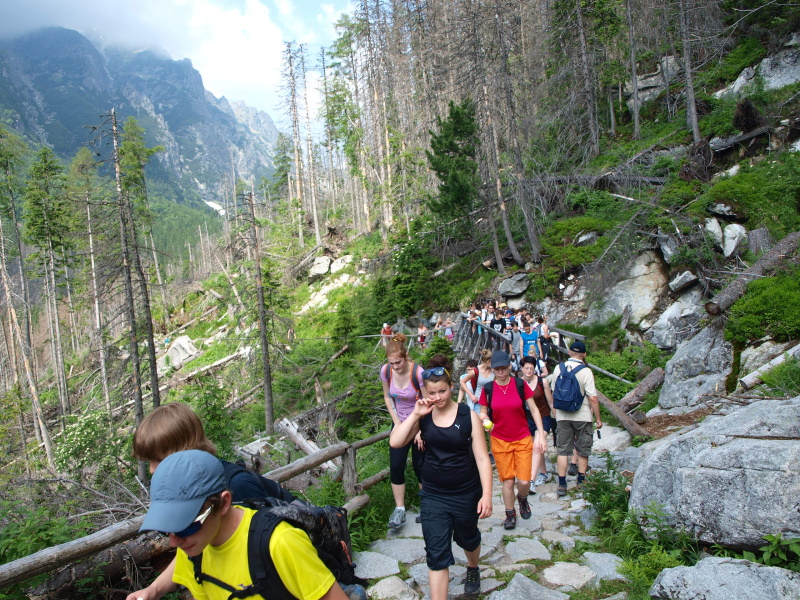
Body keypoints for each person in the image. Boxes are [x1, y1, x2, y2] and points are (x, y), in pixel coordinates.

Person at [126, 403, 297, 600]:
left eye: (158, 460)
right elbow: (194, 542)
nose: (151, 470)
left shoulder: (236, 486)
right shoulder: (196, 492)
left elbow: (270, 548)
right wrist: (154, 590)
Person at [138, 450, 359, 600]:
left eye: (187, 525)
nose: (174, 541)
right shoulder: (194, 552)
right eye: (166, 529)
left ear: (224, 503)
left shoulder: (280, 543)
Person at [389, 356, 492, 599]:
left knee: (468, 538)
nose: (438, 397)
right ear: (425, 392)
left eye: (442, 391)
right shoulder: (424, 416)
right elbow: (396, 442)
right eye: (432, 392)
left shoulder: (467, 416)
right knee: (436, 554)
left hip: (466, 492)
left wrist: (487, 495)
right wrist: (415, 414)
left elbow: (482, 459)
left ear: (451, 387)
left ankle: (473, 567)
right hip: (433, 494)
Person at [478, 351, 546, 530]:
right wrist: (485, 420)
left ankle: (522, 498)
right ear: (492, 369)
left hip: (522, 437)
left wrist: (541, 434)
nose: (500, 372)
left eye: (503, 368)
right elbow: (482, 411)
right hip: (499, 440)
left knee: (524, 481)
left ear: (509, 367)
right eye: (497, 369)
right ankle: (510, 514)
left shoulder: (520, 384)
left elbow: (534, 409)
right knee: (508, 481)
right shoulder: (488, 389)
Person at [380, 333, 426, 529]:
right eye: (392, 363)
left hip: (420, 421)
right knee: (396, 464)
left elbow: (427, 402)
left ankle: (426, 505)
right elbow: (387, 396)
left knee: (420, 465)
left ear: (406, 357)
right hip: (400, 421)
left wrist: (421, 431)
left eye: (398, 362)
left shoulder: (418, 373)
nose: (395, 367)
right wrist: (396, 422)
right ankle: (399, 509)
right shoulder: (386, 371)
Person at [550, 341, 603, 497]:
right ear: (584, 354)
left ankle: (562, 484)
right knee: (583, 450)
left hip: (562, 416)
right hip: (582, 416)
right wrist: (598, 418)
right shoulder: (586, 371)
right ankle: (581, 481)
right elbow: (593, 398)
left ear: (569, 352)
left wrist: (557, 413)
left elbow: (554, 392)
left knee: (562, 451)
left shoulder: (558, 368)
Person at [519, 357, 555, 493]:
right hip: (527, 419)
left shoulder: (542, 382)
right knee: (535, 448)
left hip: (544, 417)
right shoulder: (518, 383)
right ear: (522, 368)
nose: (529, 371)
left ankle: (531, 481)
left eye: (532, 368)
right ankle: (544, 473)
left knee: (537, 446)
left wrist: (558, 418)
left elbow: (550, 402)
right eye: (526, 368)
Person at [459, 349, 494, 415]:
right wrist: (471, 395)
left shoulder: (494, 370)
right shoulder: (475, 371)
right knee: (479, 420)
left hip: (491, 402)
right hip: (479, 402)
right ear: (488, 361)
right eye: (492, 362)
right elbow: (462, 382)